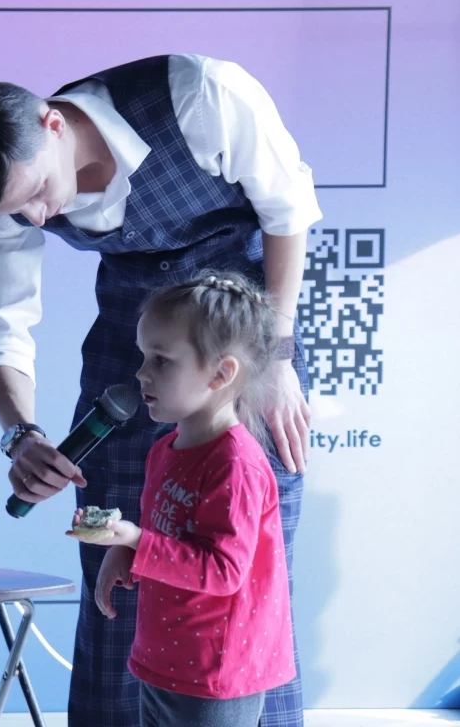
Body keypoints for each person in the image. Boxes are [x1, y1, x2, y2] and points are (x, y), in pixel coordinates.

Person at [0, 54, 320, 726]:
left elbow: (288, 212)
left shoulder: (201, 97)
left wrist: (275, 357)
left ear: (52, 124)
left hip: (244, 349)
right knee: (117, 572)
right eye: (18, 212)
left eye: (38, 192)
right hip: (133, 354)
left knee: (251, 590)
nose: (38, 217)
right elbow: (3, 324)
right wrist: (22, 433)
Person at [68, 272, 295, 727]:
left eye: (161, 360)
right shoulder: (164, 450)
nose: (141, 373)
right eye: (143, 357)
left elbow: (223, 570)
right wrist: (124, 551)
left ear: (221, 373)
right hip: (166, 661)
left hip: (216, 674)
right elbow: (172, 539)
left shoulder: (236, 465)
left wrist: (135, 539)